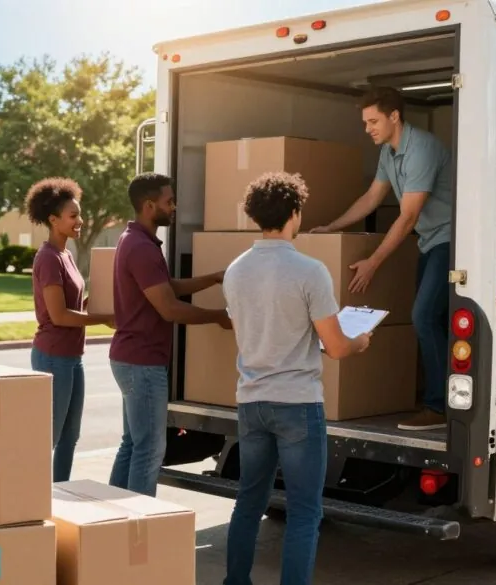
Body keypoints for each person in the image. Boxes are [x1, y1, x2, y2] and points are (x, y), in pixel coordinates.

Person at [223, 171, 372, 585]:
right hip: (297, 404)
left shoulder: (235, 270)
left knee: (249, 503)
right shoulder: (311, 270)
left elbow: (256, 330)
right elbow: (337, 347)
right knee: (305, 511)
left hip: (251, 400)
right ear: (294, 212)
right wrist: (360, 341)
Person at [311, 86, 453, 432]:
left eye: (373, 121)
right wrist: (332, 226)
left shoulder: (421, 149)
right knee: (432, 319)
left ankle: (438, 407)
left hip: (451, 241)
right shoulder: (389, 154)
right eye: (365, 122)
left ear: (394, 117)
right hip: (429, 242)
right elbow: (372, 197)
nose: (367, 128)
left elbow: (407, 217)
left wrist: (373, 262)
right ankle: (439, 397)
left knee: (422, 316)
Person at [108, 172, 231, 497]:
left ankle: (109, 519)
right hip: (142, 363)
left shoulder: (135, 240)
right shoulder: (141, 247)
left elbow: (168, 286)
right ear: (149, 206)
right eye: (169, 201)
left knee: (133, 444)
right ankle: (137, 528)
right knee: (149, 450)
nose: (174, 207)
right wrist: (217, 317)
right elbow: (169, 308)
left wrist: (213, 278)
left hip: (130, 358)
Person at [24, 177, 113, 482]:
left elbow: (73, 303)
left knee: (70, 436)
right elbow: (59, 316)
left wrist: (100, 300)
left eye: (79, 214)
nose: (80, 221)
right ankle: (31, 499)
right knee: (48, 438)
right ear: (53, 220)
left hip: (73, 356)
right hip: (52, 356)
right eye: (73, 216)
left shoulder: (67, 255)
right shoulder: (48, 258)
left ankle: (58, 494)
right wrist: (101, 318)